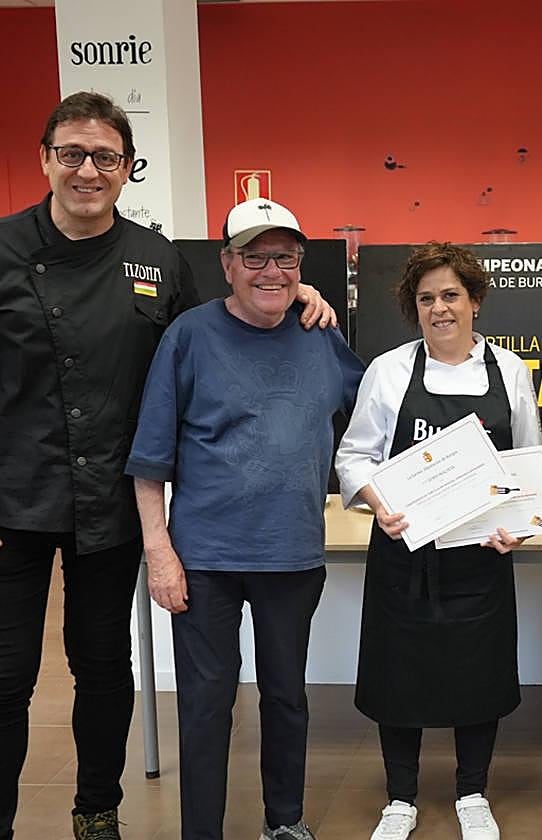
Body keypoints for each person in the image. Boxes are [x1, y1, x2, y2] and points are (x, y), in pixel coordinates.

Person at [0, 92, 334, 840]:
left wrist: (295, 287)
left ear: (126, 169)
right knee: (6, 679)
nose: (89, 170)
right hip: (12, 497)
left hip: (109, 502)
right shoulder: (2, 248)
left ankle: (97, 813)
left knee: (103, 667)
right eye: (74, 154)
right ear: (46, 159)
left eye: (106, 157)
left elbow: (226, 327)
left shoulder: (155, 260)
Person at [125, 198, 363, 840]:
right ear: (227, 263)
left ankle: (284, 822)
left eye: (285, 258)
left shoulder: (321, 335)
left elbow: (371, 425)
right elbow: (149, 461)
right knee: (205, 707)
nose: (271, 271)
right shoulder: (190, 337)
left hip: (292, 556)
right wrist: (160, 554)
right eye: (254, 256)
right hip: (204, 560)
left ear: (301, 265)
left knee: (287, 699)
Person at [335, 242, 540, 840]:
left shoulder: (512, 373)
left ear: (475, 301)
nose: (439, 309)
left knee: (478, 678)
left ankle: (473, 792)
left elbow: (527, 465)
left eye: (451, 295)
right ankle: (400, 799)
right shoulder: (390, 371)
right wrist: (380, 502)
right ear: (413, 308)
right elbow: (355, 457)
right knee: (399, 676)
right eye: (426, 299)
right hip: (406, 557)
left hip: (480, 558)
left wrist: (519, 527)